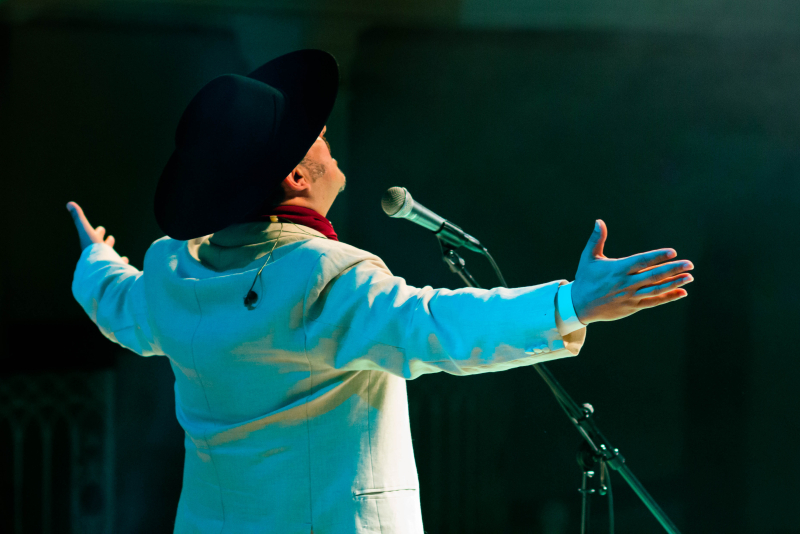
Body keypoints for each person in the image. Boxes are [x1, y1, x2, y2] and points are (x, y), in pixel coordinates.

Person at [67, 50, 694, 534]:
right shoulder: (324, 273)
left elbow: (116, 302)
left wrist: (94, 254)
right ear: (294, 175)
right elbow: (437, 325)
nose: (326, 138)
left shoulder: (173, 275)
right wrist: (573, 303)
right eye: (314, 135)